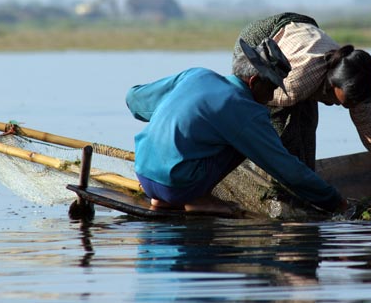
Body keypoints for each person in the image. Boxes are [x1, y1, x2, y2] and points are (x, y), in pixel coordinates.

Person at [126, 37, 347, 215]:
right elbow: (286, 168)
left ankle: (163, 200)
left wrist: (175, 112)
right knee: (246, 141)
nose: (272, 96)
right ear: (253, 82)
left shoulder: (196, 75)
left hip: (144, 173)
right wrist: (335, 202)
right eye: (271, 87)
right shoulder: (245, 111)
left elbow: (134, 99)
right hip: (179, 187)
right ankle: (198, 199)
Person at [234, 12, 371, 199]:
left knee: (306, 130)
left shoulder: (355, 80)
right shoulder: (294, 86)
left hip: (301, 39)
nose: (342, 107)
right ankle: (275, 193)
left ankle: (306, 194)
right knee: (283, 133)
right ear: (331, 84)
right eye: (342, 102)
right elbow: (249, 99)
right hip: (260, 42)